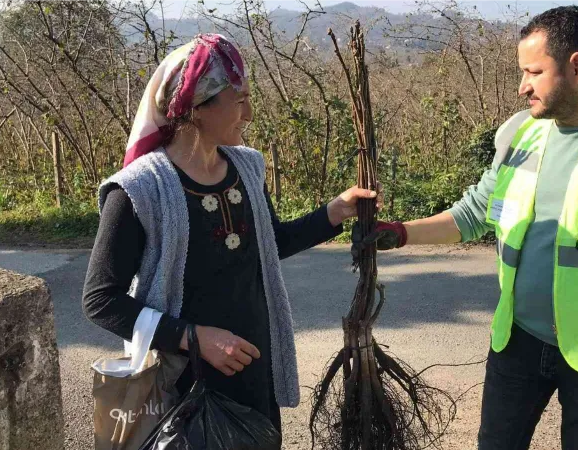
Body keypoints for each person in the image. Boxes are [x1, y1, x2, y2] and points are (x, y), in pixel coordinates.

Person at [356, 6, 578, 450]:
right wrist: (401, 233)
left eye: (534, 72)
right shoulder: (520, 133)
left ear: (577, 67)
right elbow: (473, 213)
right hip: (518, 343)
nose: (522, 86)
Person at [82, 33, 377, 437]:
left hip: (254, 370)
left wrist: (333, 212)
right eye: (240, 100)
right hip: (184, 387)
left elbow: (270, 243)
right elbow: (100, 300)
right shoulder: (139, 190)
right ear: (197, 106)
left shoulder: (248, 167)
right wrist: (193, 337)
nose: (250, 113)